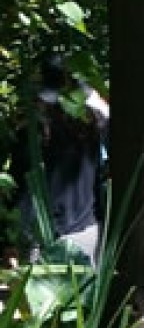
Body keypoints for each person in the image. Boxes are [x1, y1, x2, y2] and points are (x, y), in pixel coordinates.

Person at [11, 52, 109, 266]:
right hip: (86, 230)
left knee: (42, 299)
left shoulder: (31, 126)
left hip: (40, 234)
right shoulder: (92, 122)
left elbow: (21, 184)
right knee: (84, 298)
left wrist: (17, 232)